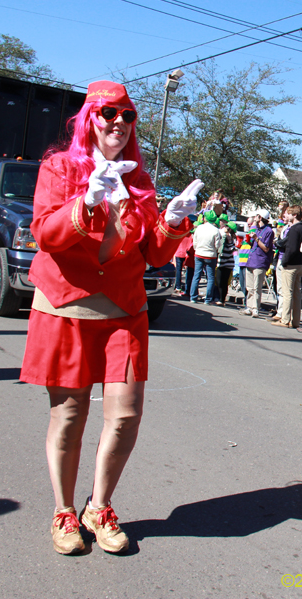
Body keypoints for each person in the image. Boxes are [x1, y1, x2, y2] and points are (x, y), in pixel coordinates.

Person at [19, 80, 198, 555]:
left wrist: (173, 222)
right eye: (109, 114)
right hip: (67, 305)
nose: (119, 123)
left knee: (126, 415)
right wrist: (86, 202)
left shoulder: (140, 182)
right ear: (89, 119)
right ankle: (63, 510)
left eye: (128, 115)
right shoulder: (59, 167)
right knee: (69, 413)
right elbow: (46, 235)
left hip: (124, 308)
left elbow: (153, 254)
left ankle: (99, 507)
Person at [274, 205, 302, 328]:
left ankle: (285, 319)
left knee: (287, 292)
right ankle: (295, 321)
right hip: (300, 264)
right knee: (296, 293)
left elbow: (292, 248)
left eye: (289, 213)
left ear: (295, 215)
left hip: (291, 264)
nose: (287, 215)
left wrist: (285, 261)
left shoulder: (294, 229)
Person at [240, 208, 274, 317]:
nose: (254, 218)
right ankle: (249, 307)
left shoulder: (268, 231)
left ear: (260, 217)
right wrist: (251, 239)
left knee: (257, 287)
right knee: (249, 287)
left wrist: (256, 238)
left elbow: (266, 248)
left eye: (256, 216)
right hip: (251, 260)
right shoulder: (257, 229)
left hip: (260, 262)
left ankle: (255, 308)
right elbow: (252, 243)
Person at [190, 210, 222, 304]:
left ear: (205, 218)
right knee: (210, 278)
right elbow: (217, 245)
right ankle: (208, 299)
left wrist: (197, 249)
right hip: (210, 256)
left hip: (199, 253)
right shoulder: (216, 230)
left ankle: (193, 297)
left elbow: (194, 242)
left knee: (196, 276)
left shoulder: (199, 228)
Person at [213, 221, 237, 306]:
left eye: (227, 227)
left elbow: (232, 249)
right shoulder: (222, 236)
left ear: (230, 229)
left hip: (228, 263)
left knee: (224, 282)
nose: (225, 228)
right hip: (221, 262)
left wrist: (229, 240)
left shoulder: (232, 238)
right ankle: (219, 298)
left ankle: (222, 300)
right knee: (219, 281)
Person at [172, 230, 194, 297]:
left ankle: (178, 286)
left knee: (178, 270)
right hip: (187, 254)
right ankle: (187, 288)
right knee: (188, 271)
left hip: (179, 253)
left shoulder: (180, 234)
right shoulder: (190, 236)